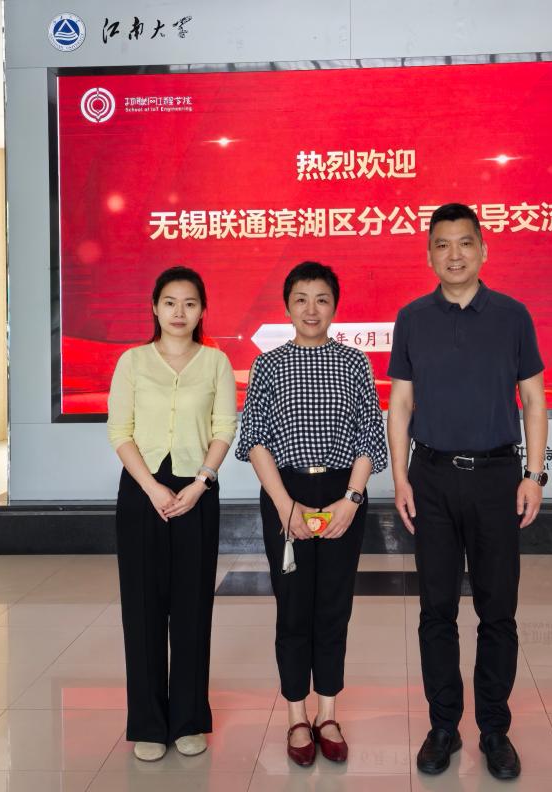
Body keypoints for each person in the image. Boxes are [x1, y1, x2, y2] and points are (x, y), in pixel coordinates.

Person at [387, 203, 548, 781]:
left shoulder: (513, 315)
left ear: (483, 249)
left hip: (497, 477)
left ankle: (495, 730)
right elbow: (400, 404)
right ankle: (443, 726)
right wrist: (400, 477)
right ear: (429, 254)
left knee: (497, 609)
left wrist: (534, 475)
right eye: (442, 244)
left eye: (464, 243)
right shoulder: (412, 318)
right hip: (430, 477)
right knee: (436, 609)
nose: (453, 254)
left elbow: (534, 401)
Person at [236, 261, 387, 767]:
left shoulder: (355, 362)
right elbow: (255, 438)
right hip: (287, 492)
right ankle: (297, 716)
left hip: (343, 492)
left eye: (321, 298)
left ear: (335, 307)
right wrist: (285, 505)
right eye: (301, 299)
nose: (311, 309)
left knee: (334, 607)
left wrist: (353, 498)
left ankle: (328, 714)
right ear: (287, 307)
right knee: (293, 607)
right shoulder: (268, 365)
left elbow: (370, 435)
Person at [107, 266, 237, 762]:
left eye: (189, 303)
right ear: (155, 308)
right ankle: (147, 722)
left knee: (191, 608)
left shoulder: (216, 363)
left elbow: (224, 427)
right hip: (142, 491)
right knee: (142, 609)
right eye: (170, 302)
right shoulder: (132, 362)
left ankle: (188, 719)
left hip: (197, 492)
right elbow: (119, 430)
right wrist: (151, 487)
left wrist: (201, 483)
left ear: (202, 311)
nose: (179, 312)